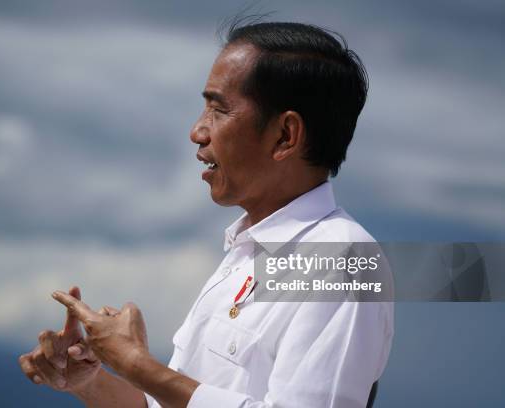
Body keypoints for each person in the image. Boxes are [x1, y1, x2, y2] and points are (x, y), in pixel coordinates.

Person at [19, 21, 394, 408]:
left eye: (218, 109)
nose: (197, 131)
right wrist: (87, 382)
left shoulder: (344, 261)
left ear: (285, 136)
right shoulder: (248, 251)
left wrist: (135, 363)